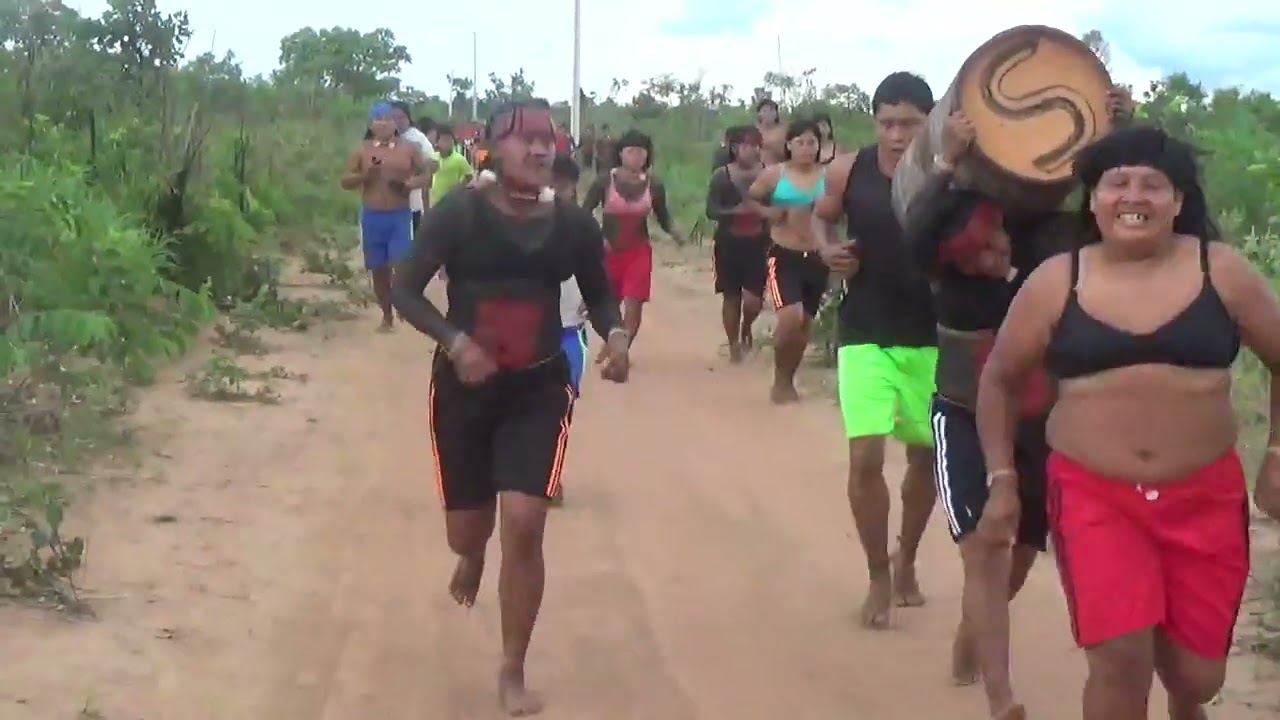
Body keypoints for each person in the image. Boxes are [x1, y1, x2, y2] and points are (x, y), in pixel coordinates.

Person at [976, 124, 1280, 720]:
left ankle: (1186, 704)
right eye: (1117, 183)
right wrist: (1003, 481)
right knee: (1119, 663)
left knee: (1197, 676)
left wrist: (1276, 457)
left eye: (1152, 185)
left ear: (1179, 202)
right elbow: (998, 381)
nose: (1134, 197)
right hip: (1095, 497)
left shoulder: (1222, 272)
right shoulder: (1057, 280)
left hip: (1206, 499)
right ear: (1092, 199)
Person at [390, 98, 631, 717]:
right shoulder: (459, 214)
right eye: (525, 139)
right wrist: (455, 340)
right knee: (468, 533)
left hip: (538, 389)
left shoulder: (573, 225)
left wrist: (617, 337)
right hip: (464, 392)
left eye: (548, 139)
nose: (541, 148)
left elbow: (602, 295)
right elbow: (405, 289)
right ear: (492, 146)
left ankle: (512, 669)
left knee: (526, 523)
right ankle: (472, 555)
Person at [903, 88, 1133, 718]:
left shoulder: (1049, 230)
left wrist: (1120, 131)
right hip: (964, 409)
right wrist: (947, 161)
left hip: (1040, 416)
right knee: (984, 543)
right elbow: (914, 237)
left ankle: (972, 631)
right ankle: (1001, 697)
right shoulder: (954, 215)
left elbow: (1113, 216)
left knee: (1021, 552)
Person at [810, 72, 939, 629]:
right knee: (865, 457)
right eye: (887, 122)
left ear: (928, 122)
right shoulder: (848, 169)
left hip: (935, 335)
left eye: (908, 122)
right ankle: (877, 575)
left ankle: (906, 557)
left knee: (925, 458)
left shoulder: (953, 170)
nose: (896, 133)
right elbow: (819, 214)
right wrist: (828, 249)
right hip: (864, 329)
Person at [582, 129, 680, 360]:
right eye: (631, 152)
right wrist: (596, 239)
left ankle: (619, 353)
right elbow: (584, 214)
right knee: (610, 306)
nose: (636, 157)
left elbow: (662, 216)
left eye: (641, 153)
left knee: (634, 307)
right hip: (608, 252)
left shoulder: (653, 185)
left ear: (648, 156)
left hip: (638, 251)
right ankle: (613, 343)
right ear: (621, 154)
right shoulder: (605, 181)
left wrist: (676, 234)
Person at [748, 119, 827, 401]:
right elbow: (752, 198)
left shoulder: (828, 176)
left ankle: (787, 380)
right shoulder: (774, 174)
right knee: (790, 318)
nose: (806, 148)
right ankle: (779, 379)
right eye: (800, 142)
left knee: (804, 325)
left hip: (818, 257)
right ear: (789, 146)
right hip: (783, 254)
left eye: (812, 142)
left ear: (819, 145)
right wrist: (768, 213)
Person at [342, 101, 433, 331]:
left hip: (399, 216)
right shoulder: (362, 150)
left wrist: (409, 184)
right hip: (372, 217)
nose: (383, 123)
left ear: (396, 123)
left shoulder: (409, 148)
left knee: (400, 265)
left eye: (388, 119)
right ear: (371, 124)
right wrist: (365, 175)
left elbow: (426, 175)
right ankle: (386, 314)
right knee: (378, 269)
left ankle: (404, 304)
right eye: (378, 119)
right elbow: (345, 181)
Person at [707, 125, 769, 362]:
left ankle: (746, 328)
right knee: (731, 296)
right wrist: (736, 212)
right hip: (729, 243)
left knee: (754, 300)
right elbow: (711, 210)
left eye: (756, 145)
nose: (752, 150)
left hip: (759, 244)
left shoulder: (768, 174)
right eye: (746, 145)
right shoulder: (721, 176)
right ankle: (733, 343)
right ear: (734, 148)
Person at [550, 153, 588, 507]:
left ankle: (552, 475)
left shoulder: (582, 228)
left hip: (569, 330)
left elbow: (600, 280)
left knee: (561, 406)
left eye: (559, 184)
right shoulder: (509, 223)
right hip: (523, 331)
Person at [390, 102, 439, 231]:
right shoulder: (383, 138)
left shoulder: (417, 138)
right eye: (393, 117)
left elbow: (434, 163)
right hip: (386, 205)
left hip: (412, 204)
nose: (397, 121)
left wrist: (416, 172)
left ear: (408, 118)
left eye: (401, 117)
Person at [429, 124, 475, 207]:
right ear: (437, 142)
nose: (448, 143)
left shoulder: (460, 159)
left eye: (450, 140)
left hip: (453, 203)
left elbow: (470, 177)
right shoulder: (434, 158)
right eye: (444, 140)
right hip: (436, 202)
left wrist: (460, 187)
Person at [756, 98, 787, 165]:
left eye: (771, 110)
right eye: (764, 111)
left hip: (779, 167)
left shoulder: (784, 130)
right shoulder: (754, 131)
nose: (768, 114)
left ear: (776, 114)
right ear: (759, 114)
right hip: (758, 169)